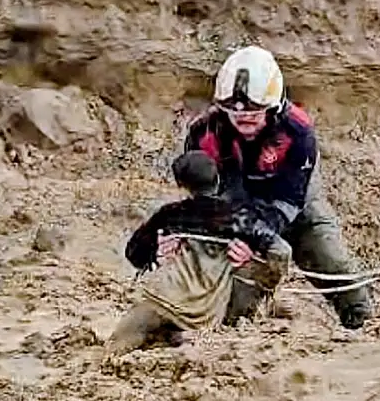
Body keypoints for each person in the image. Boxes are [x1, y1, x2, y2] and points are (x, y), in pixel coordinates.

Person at [179, 45, 372, 330]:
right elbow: (202, 198)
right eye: (233, 109)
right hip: (236, 207)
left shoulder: (297, 131)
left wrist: (258, 235)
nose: (244, 116)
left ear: (274, 105)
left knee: (333, 261)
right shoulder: (203, 135)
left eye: (255, 109)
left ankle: (364, 326)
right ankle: (228, 328)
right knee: (241, 264)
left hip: (296, 202)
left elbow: (290, 200)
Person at [105, 150, 293, 356]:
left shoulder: (170, 214)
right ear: (218, 179)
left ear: (182, 185)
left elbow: (134, 253)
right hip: (206, 314)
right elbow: (281, 251)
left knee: (116, 346)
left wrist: (156, 253)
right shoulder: (240, 218)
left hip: (161, 300)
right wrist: (266, 282)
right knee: (250, 269)